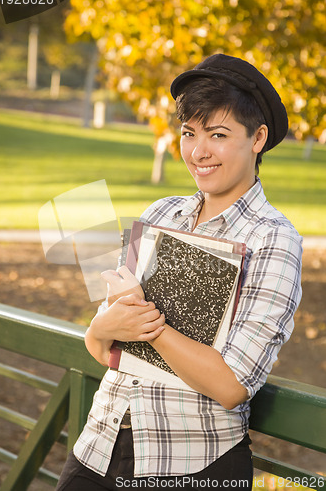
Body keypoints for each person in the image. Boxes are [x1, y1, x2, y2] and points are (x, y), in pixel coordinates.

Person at [56, 54, 302, 490]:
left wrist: (148, 326)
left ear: (258, 138)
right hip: (98, 446)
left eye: (218, 134)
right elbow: (104, 346)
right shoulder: (159, 212)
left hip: (193, 464)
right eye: (189, 133)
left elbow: (229, 385)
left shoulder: (274, 240)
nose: (198, 151)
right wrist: (102, 329)